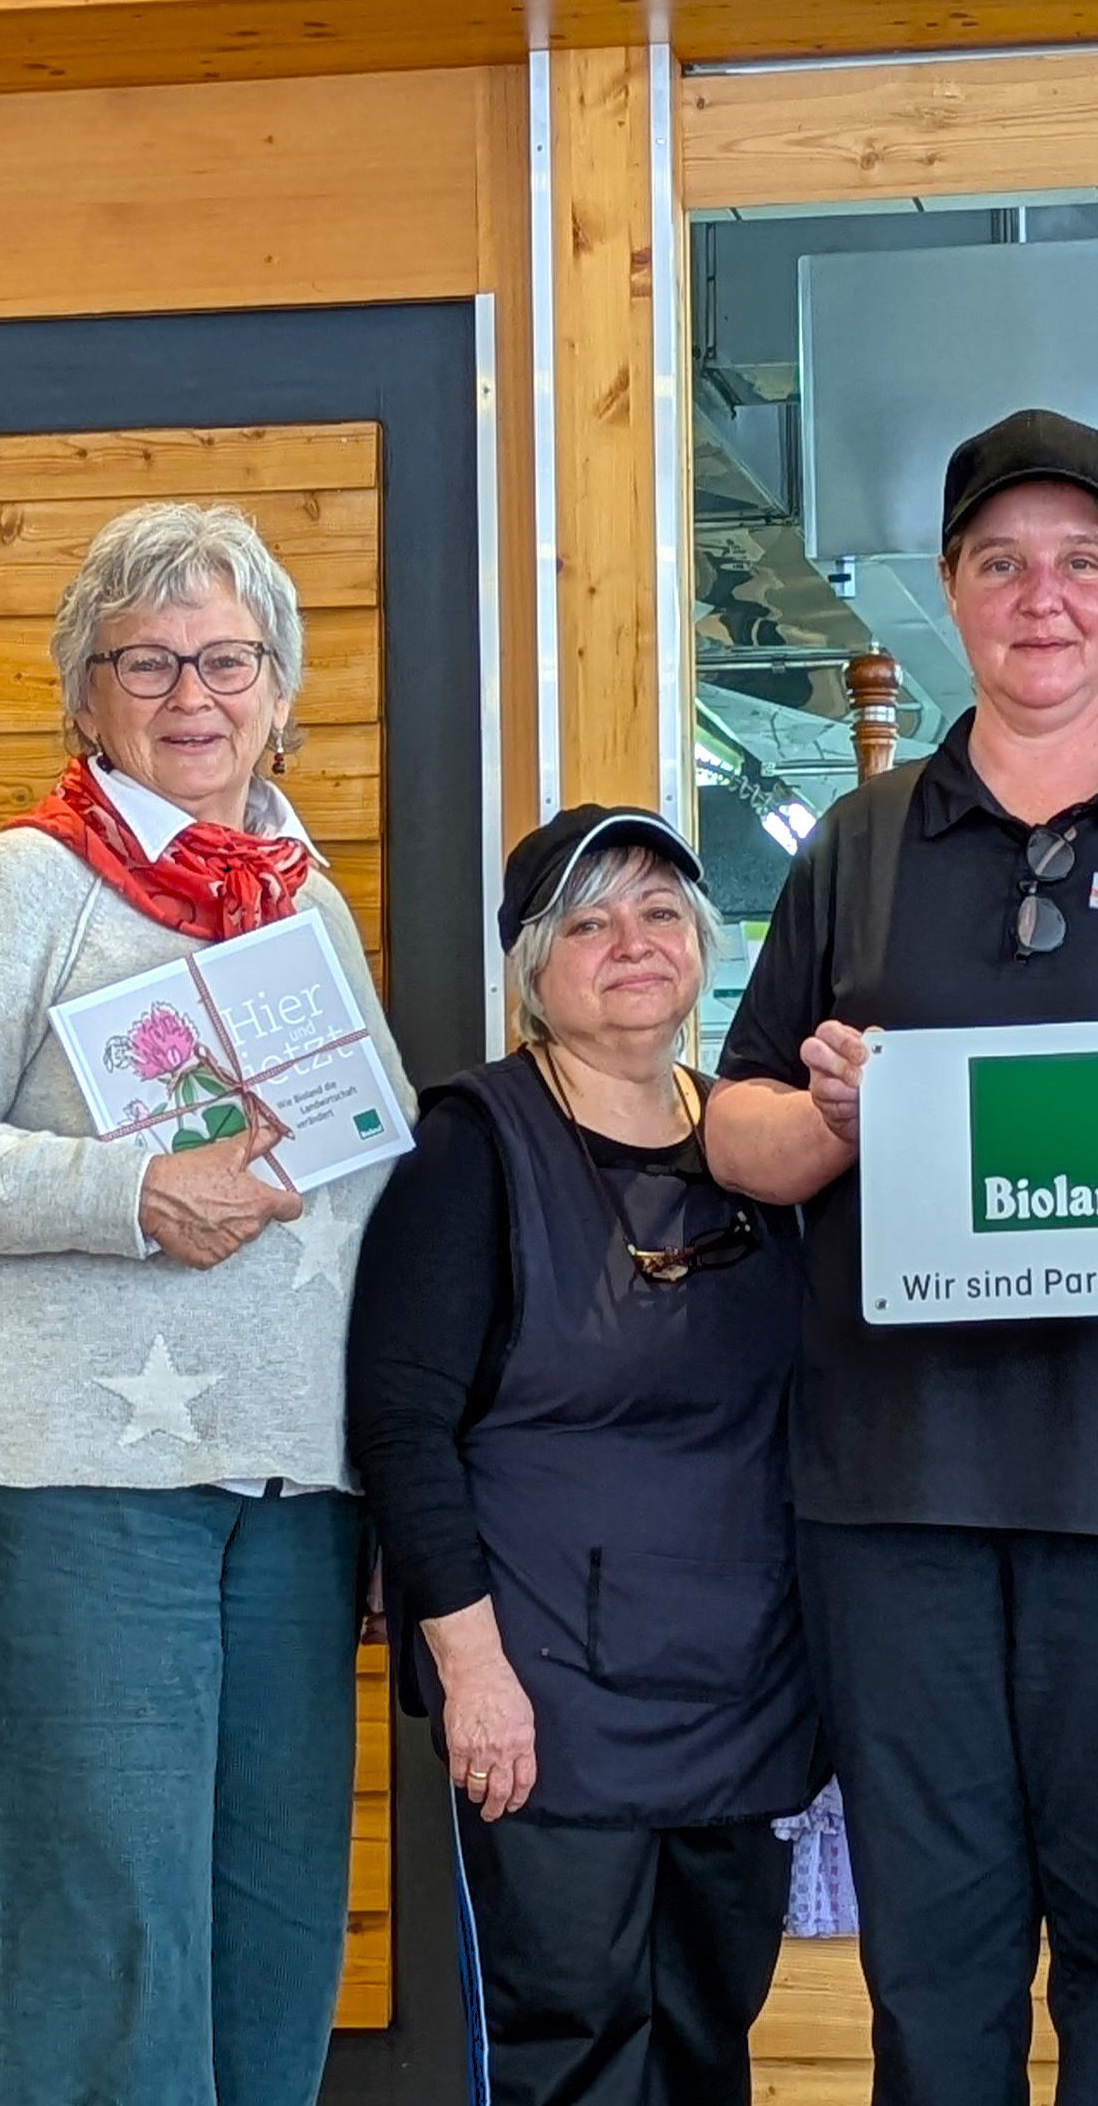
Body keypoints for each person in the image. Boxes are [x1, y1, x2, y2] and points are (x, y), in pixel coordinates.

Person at [707, 409, 1098, 2105]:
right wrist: (837, 1117)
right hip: (895, 1493)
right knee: (934, 1966)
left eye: (1076, 561)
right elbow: (736, 1129)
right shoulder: (858, 848)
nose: (1039, 598)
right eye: (1001, 563)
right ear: (948, 589)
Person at [0, 500, 405, 2106]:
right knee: (110, 1956)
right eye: (144, 662)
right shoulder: (23, 885)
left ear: (281, 689)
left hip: (292, 1490)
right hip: (68, 1478)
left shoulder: (304, 897)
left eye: (227, 659)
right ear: (84, 698)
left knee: (274, 1938)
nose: (191, 695)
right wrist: (131, 1193)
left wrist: (379, 1479)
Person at [347, 806, 820, 2106]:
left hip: (743, 1690)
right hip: (548, 1700)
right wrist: (473, 1676)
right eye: (590, 922)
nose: (633, 943)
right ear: (532, 969)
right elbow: (401, 1427)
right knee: (572, 2049)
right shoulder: (470, 1148)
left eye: (661, 912)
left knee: (708, 2046)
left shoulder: (762, 1148)